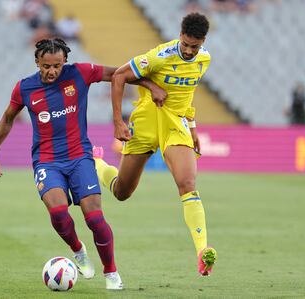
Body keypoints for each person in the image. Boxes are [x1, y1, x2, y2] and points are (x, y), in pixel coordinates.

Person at [0, 38, 163, 290]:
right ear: (37, 62)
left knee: (95, 218)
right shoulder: (24, 88)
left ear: (64, 62)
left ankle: (111, 272)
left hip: (80, 157)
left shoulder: (80, 73)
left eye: (57, 65)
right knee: (58, 213)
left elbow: (118, 74)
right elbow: (7, 118)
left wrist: (149, 84)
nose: (52, 71)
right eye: (46, 66)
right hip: (47, 161)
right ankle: (78, 250)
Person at [93, 13, 218, 276]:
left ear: (203, 42)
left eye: (194, 46)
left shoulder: (203, 59)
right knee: (121, 192)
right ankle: (96, 163)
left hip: (175, 124)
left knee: (188, 184)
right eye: (185, 44)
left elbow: (187, 94)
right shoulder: (160, 56)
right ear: (180, 35)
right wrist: (119, 121)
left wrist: (193, 127)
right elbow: (118, 76)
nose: (188, 50)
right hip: (147, 120)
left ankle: (202, 252)